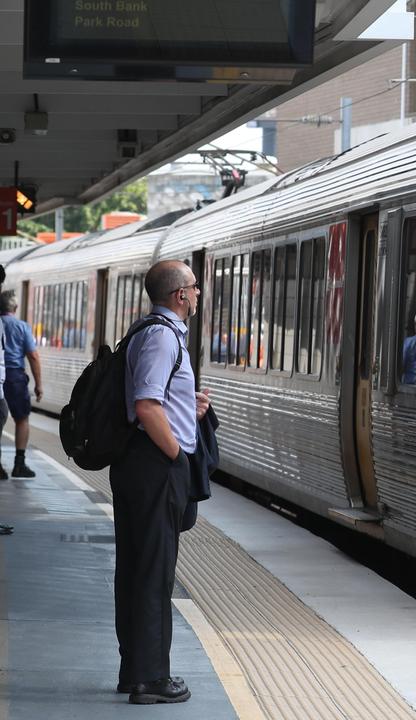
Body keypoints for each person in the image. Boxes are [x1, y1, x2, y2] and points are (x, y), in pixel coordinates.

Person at [111, 260, 211, 705]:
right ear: (179, 296)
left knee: (138, 567)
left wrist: (189, 406)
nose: (198, 293)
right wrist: (175, 456)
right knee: (153, 573)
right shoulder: (161, 336)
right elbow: (148, 406)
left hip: (141, 462)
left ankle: (134, 670)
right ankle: (151, 678)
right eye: (194, 287)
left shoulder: (149, 332)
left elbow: (159, 401)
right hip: (153, 465)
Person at [0, 291, 42, 479]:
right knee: (22, 419)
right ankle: (19, 464)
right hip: (15, 377)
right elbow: (33, 356)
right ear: (15, 308)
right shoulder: (21, 326)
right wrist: (38, 384)